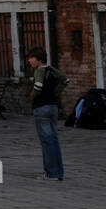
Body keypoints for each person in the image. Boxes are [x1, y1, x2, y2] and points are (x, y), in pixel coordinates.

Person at [27, 47, 68, 180]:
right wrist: (55, 92)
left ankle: (51, 173)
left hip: (42, 107)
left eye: (31, 58)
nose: (29, 61)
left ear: (38, 59)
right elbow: (66, 80)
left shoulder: (39, 70)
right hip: (53, 107)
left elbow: (38, 86)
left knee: (47, 141)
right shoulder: (52, 70)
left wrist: (32, 96)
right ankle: (58, 171)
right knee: (54, 140)